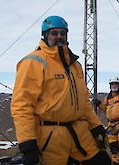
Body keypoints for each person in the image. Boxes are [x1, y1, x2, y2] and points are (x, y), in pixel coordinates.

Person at [11, 15, 111, 165]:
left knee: (102, 161)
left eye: (62, 33)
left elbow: (83, 103)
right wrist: (27, 144)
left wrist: (96, 127)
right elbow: (22, 105)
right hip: (50, 136)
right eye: (54, 33)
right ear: (45, 35)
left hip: (79, 132)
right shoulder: (33, 62)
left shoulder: (75, 65)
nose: (59, 36)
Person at [93, 76, 119, 165]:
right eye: (112, 84)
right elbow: (105, 109)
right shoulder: (108, 98)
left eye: (116, 84)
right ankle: (116, 161)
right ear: (110, 85)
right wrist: (99, 104)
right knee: (113, 145)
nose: (114, 85)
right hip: (111, 126)